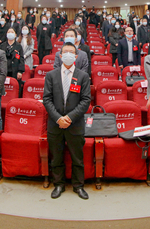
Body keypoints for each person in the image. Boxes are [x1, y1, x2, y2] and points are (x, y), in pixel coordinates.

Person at [42, 42, 92, 200]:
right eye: (65, 52)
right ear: (60, 55)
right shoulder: (51, 75)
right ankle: (58, 184)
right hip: (55, 124)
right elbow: (46, 99)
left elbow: (86, 100)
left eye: (71, 52)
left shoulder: (83, 76)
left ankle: (78, 186)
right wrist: (58, 118)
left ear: (76, 56)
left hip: (75, 124)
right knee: (56, 157)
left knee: (77, 158)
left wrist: (69, 117)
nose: (68, 55)